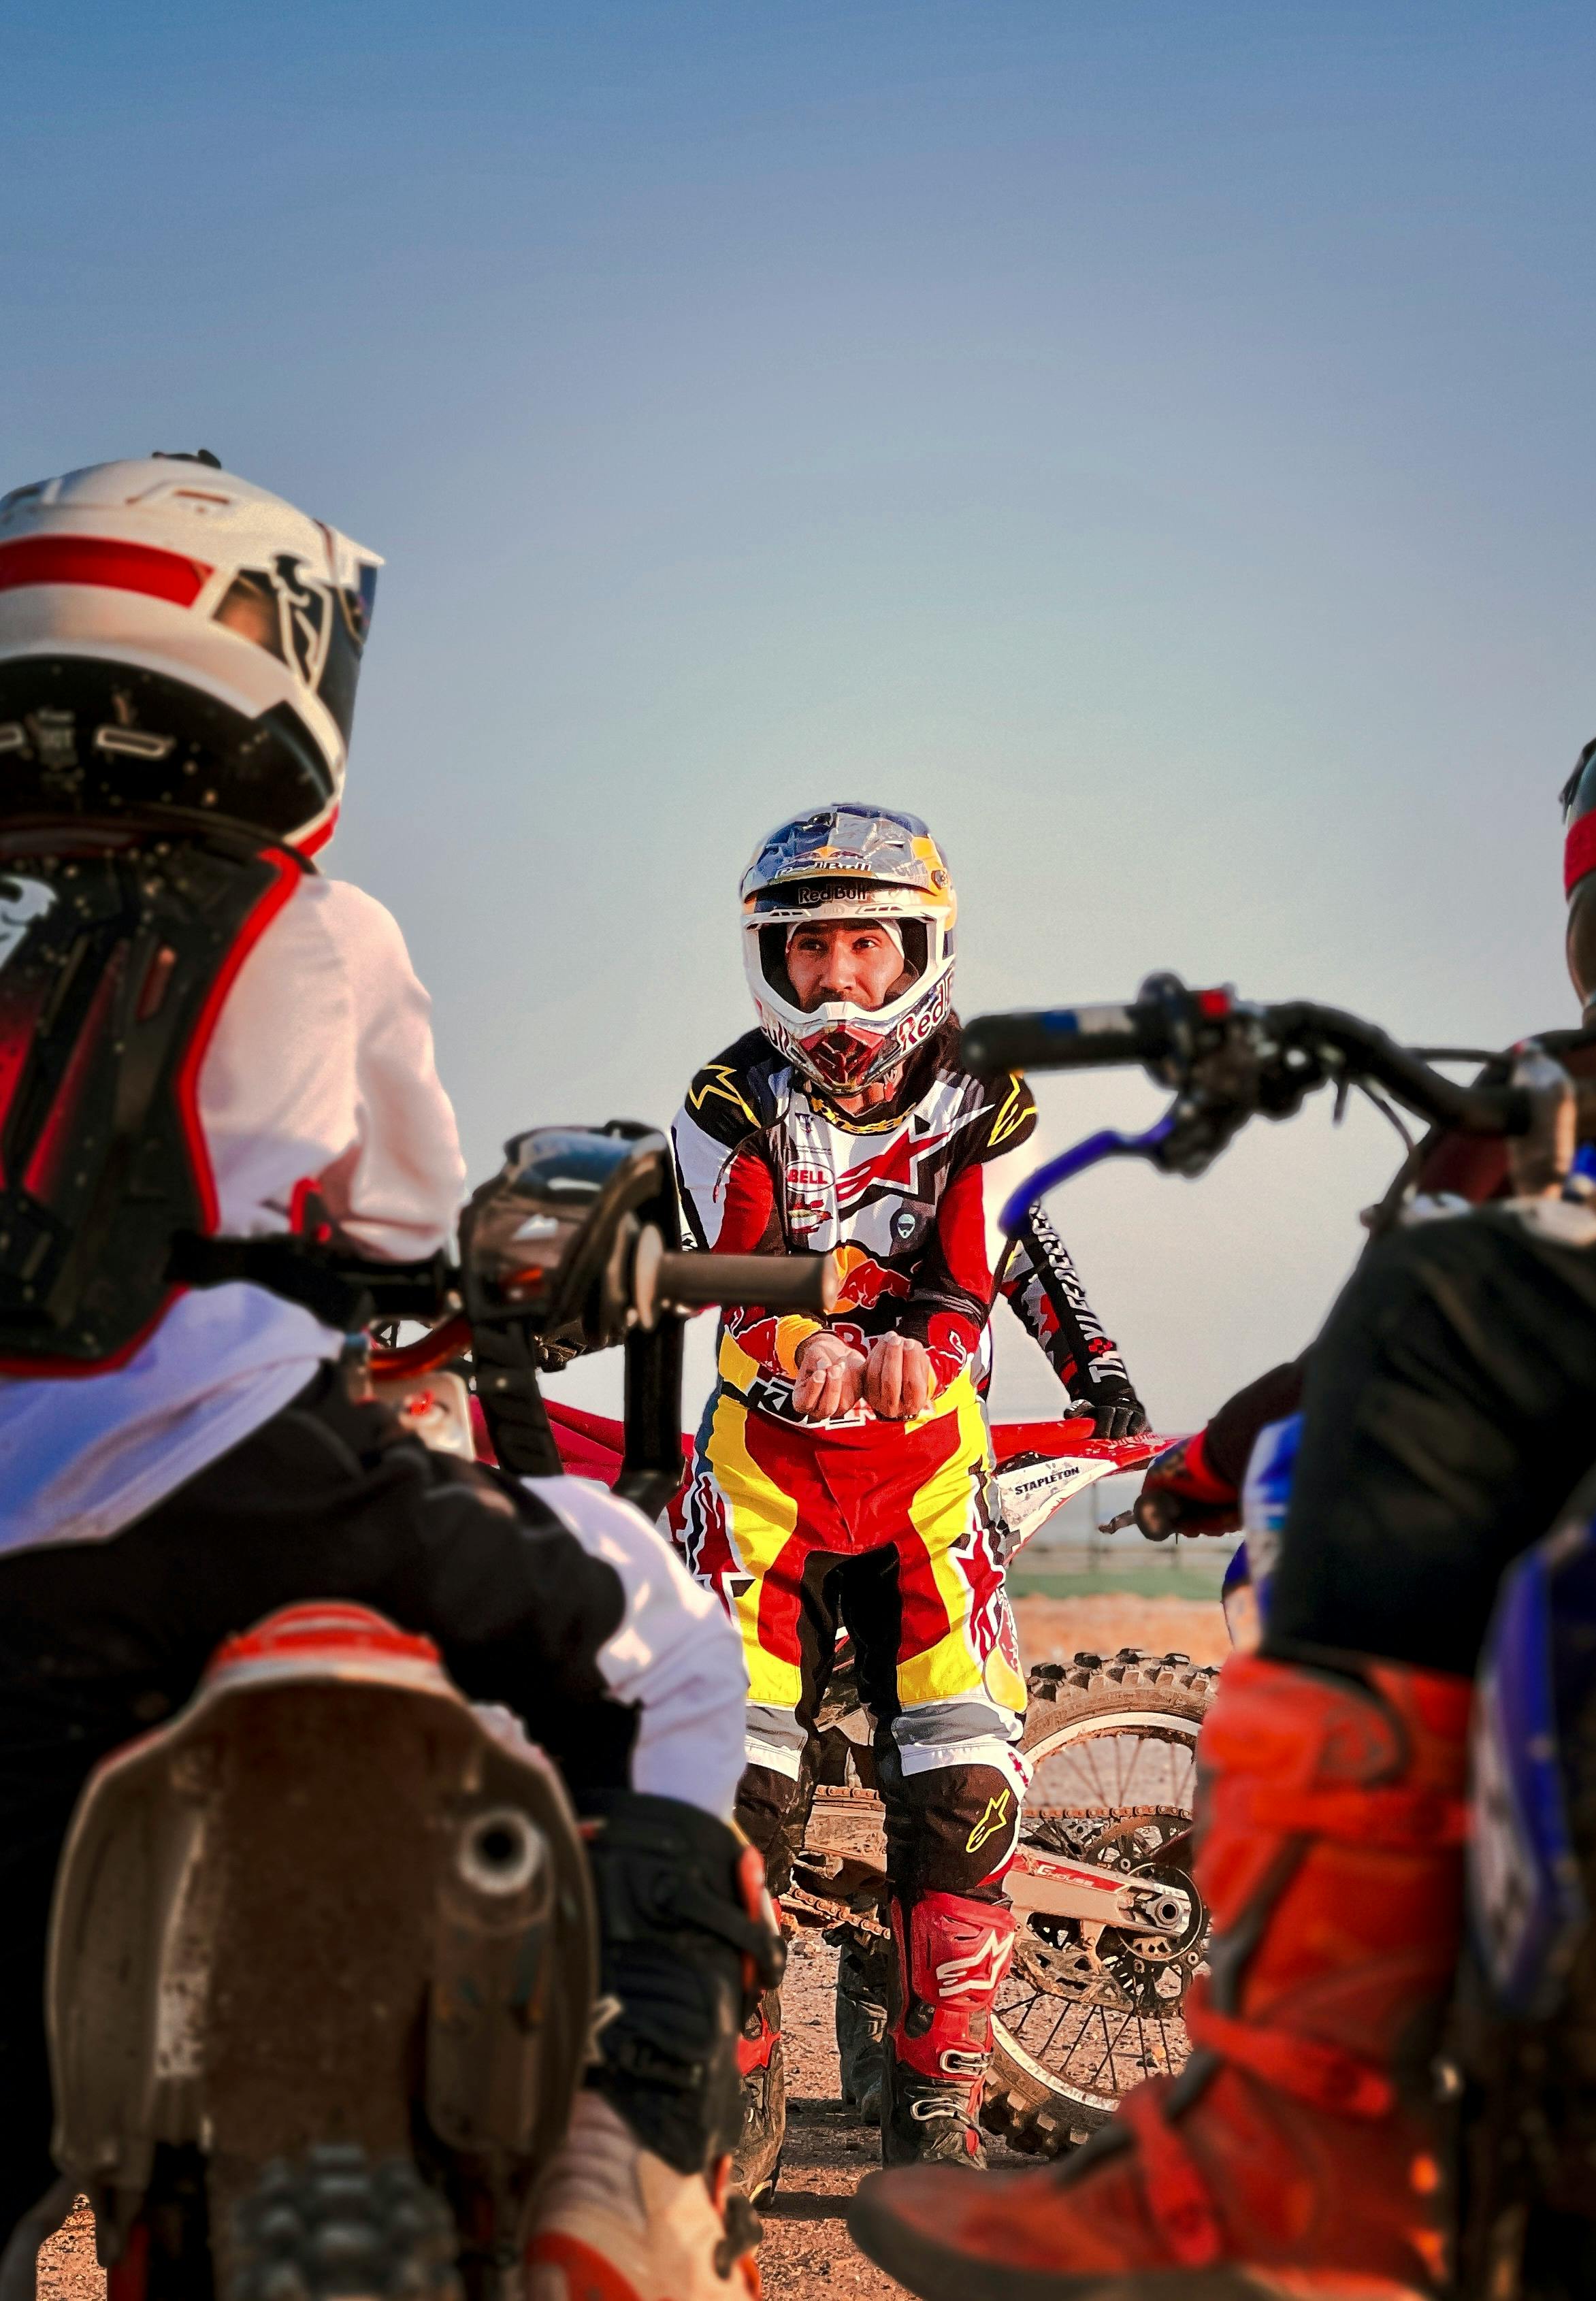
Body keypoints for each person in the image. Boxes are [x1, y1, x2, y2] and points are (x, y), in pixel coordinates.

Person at [849, 666, 1596, 2301]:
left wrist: (1197, 1465)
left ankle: (1306, 2131)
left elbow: (1352, 1355)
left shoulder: (1537, 1110)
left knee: (1433, 1317)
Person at [0, 456, 770, 2301]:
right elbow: (409, 1208)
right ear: (266, 641)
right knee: (669, 1642)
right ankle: (630, 2140)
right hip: (248, 1475)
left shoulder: (19, 944)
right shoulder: (320, 920)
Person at [668, 802, 1145, 2182]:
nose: (836, 985)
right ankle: (735, 2075)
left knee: (965, 1785)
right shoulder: (725, 1097)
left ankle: (935, 2099)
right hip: (763, 1477)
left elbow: (971, 1265)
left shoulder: (987, 1093)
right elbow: (730, 1270)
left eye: (865, 949)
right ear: (772, 960)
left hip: (931, 1476)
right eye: (808, 952)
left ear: (920, 950)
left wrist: (918, 1352)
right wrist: (801, 1339)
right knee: (727, 1787)